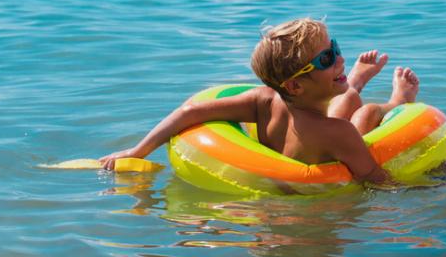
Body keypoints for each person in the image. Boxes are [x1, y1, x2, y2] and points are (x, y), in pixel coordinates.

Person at [99, 18, 419, 184]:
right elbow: (378, 182)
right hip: (331, 152)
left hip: (315, 128)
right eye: (326, 59)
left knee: (347, 99)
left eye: (334, 47)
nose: (340, 58)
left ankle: (356, 84)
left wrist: (136, 151)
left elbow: (189, 112)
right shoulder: (339, 134)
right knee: (365, 115)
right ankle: (396, 102)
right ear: (294, 85)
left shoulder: (263, 101)